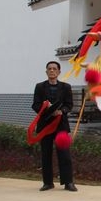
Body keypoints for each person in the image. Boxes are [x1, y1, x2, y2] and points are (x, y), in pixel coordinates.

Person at [32, 61, 77, 192]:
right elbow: (35, 105)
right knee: (45, 154)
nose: (52, 71)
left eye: (54, 69)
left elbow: (69, 105)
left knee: (64, 154)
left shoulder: (66, 87)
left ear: (59, 72)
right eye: (49, 69)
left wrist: (61, 111)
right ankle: (47, 182)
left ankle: (68, 182)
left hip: (60, 125)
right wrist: (46, 109)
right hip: (45, 125)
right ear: (46, 72)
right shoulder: (40, 87)